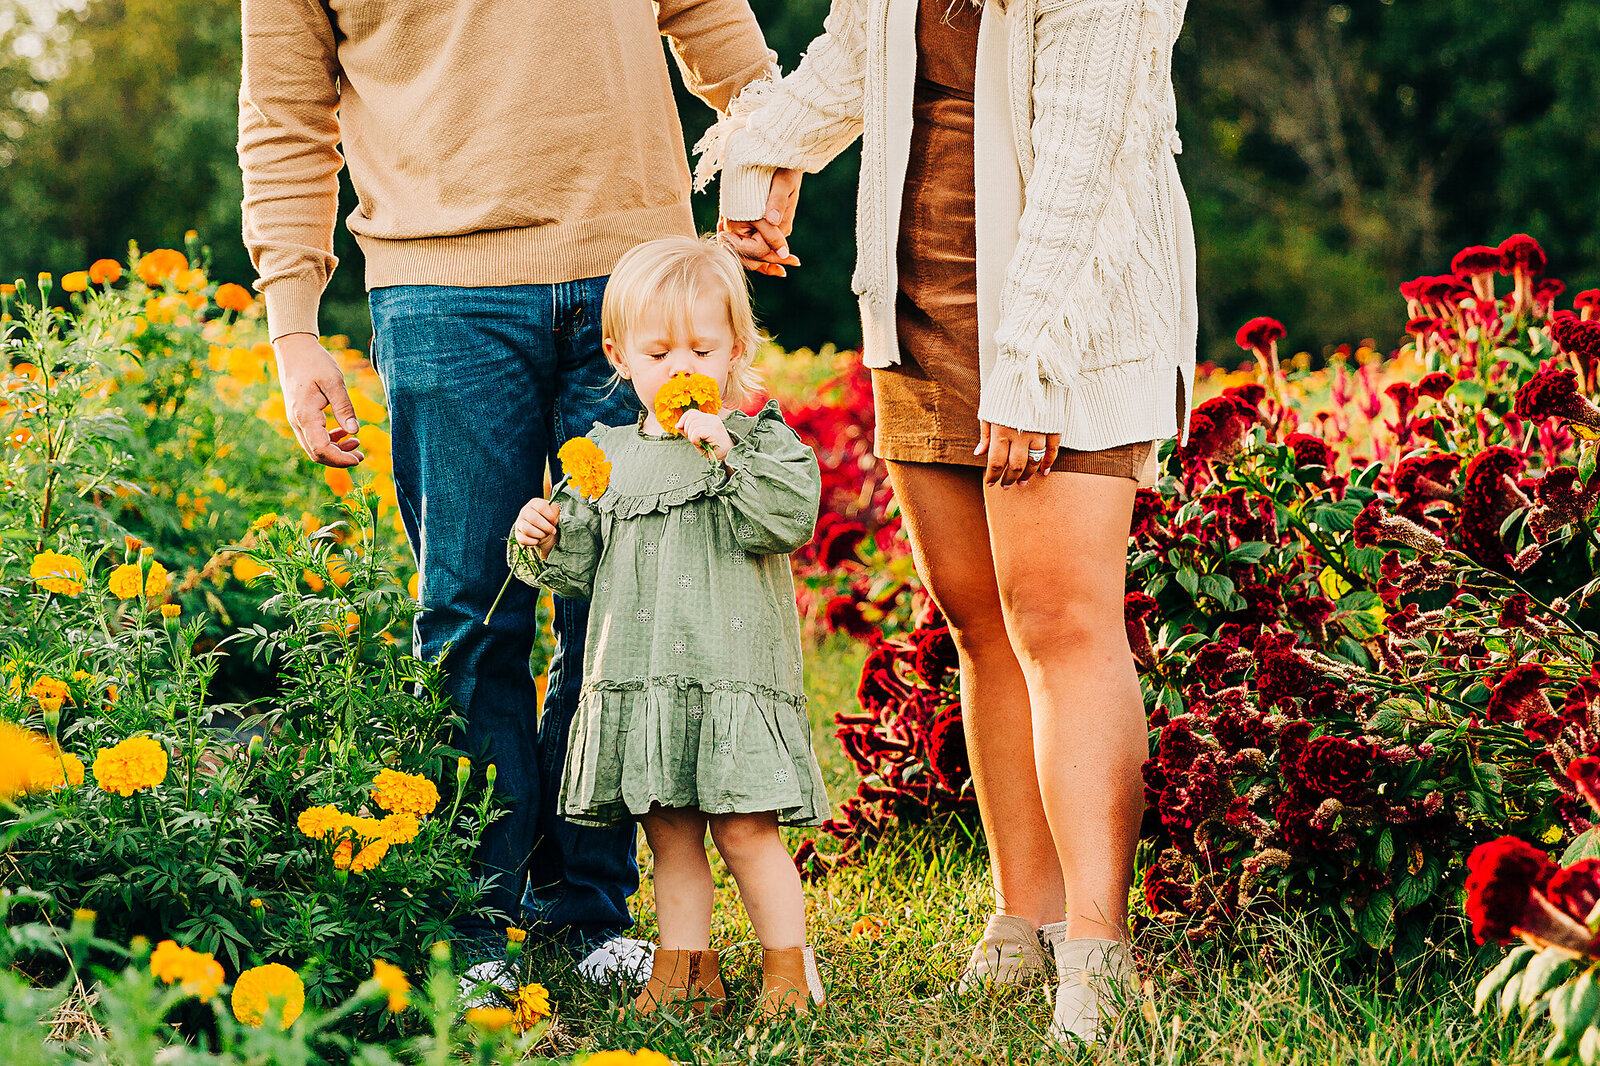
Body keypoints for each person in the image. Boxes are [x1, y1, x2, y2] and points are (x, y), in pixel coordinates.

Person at [236, 0, 789, 984]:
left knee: (617, 615)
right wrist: (291, 329)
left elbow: (708, 15)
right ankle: (478, 924)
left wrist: (761, 150)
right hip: (441, 288)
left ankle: (588, 912)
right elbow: (284, 115)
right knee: (471, 618)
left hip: (637, 280)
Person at [706, 0, 1196, 1045]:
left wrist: (1027, 366)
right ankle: (1023, 918)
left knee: (1061, 625)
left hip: (1067, 319)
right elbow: (851, 61)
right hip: (920, 308)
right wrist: (757, 156)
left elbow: (1084, 157)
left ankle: (1096, 951)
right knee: (979, 624)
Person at [508, 236, 830, 1017]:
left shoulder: (759, 445)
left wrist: (727, 452)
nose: (680, 366)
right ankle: (685, 970)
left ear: (735, 351)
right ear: (620, 355)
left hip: (729, 680)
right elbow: (579, 568)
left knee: (746, 833)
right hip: (649, 686)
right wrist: (543, 536)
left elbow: (786, 522)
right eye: (658, 351)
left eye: (702, 347)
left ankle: (791, 973)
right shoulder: (605, 457)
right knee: (671, 837)